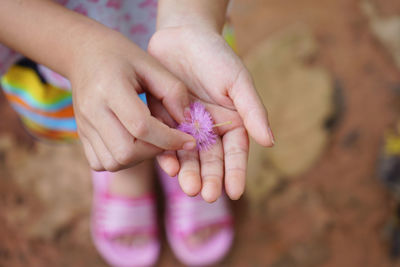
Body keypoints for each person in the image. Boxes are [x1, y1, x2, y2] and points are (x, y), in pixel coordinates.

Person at [0, 0, 274, 266]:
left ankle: (176, 160)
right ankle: (128, 168)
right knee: (109, 119)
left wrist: (190, 18)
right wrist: (78, 51)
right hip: (50, 40)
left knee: (169, 109)